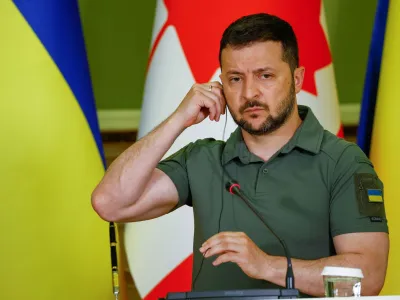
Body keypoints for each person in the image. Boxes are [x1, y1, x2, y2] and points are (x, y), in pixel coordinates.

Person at [91, 13, 389, 297]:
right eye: (235, 79)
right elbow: (109, 203)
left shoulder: (344, 161)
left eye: (265, 75)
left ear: (297, 80)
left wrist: (267, 265)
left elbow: (369, 276)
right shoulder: (202, 158)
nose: (249, 93)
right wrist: (178, 119)